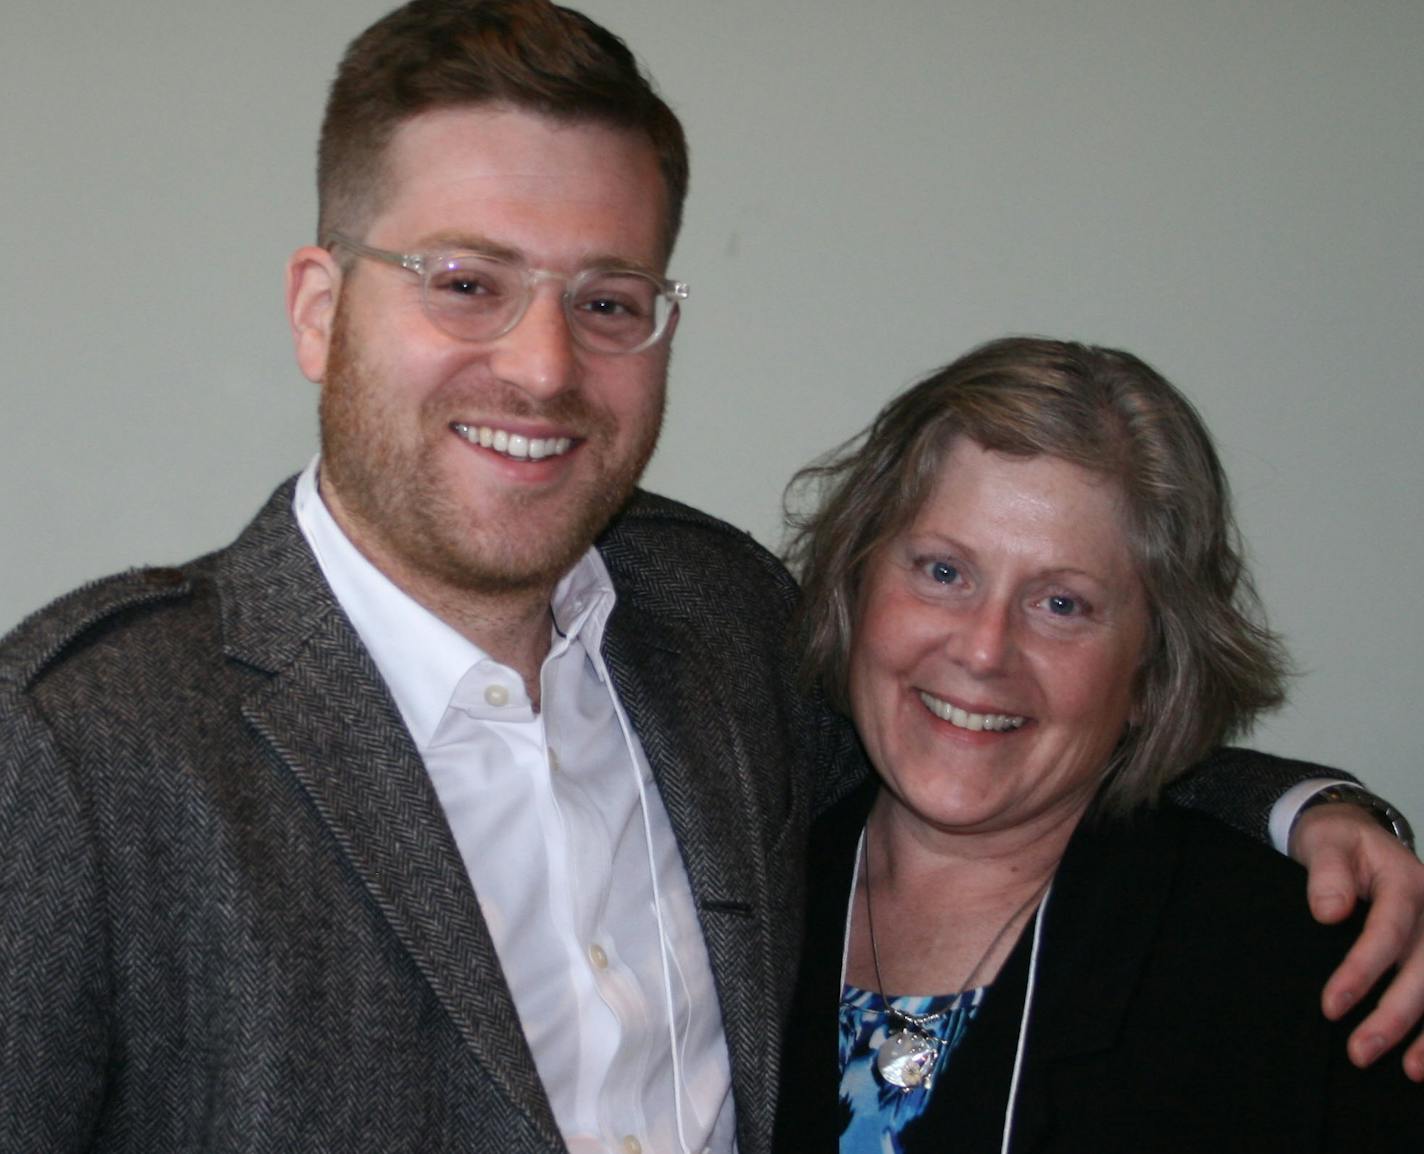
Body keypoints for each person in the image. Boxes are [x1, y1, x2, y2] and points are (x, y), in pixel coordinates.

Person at [0, 4, 1419, 1152]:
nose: (545, 368)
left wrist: (1302, 817)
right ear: (321, 308)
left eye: (608, 301)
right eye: (467, 282)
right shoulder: (84, 747)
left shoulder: (713, 625)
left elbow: (985, 739)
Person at [774, 337, 1424, 1152]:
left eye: (1062, 604)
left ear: (1152, 668)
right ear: (855, 581)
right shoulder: (732, 891)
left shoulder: (1297, 969)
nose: (983, 649)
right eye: (943, 572)